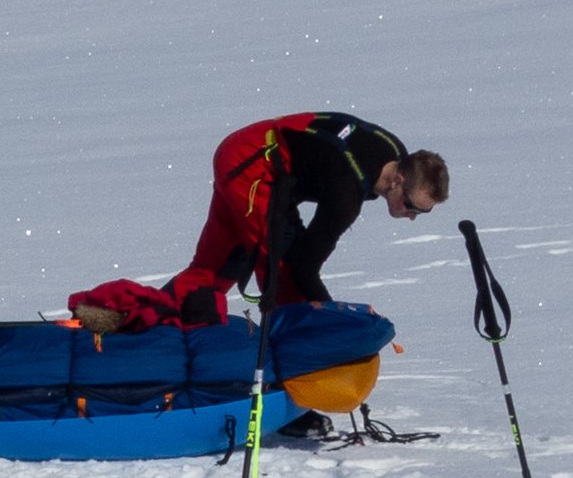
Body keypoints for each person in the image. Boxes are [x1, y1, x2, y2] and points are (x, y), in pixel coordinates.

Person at [71, 115, 448, 332]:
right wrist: (332, 322)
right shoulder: (346, 193)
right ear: (398, 180)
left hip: (244, 155)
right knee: (282, 271)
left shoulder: (393, 154)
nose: (413, 216)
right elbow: (303, 267)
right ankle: (291, 382)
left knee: (214, 269)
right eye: (414, 207)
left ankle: (119, 319)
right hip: (252, 168)